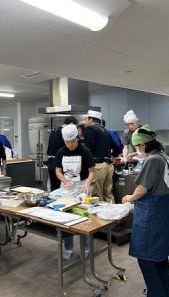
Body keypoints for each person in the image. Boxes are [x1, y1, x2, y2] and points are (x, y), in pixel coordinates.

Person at [122, 124, 169, 297]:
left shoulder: (152, 160)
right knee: (159, 257)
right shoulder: (165, 157)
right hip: (165, 211)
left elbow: (142, 189)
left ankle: (156, 294)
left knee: (146, 258)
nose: (137, 150)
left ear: (143, 145)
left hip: (153, 215)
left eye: (137, 146)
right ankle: (166, 293)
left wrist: (129, 198)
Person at [54, 124, 95, 260]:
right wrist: (65, 181)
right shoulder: (61, 152)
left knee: (83, 218)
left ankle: (86, 248)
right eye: (67, 142)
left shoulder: (85, 151)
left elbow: (92, 172)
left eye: (72, 141)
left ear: (77, 138)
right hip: (66, 186)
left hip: (82, 187)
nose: (70, 144)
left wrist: (87, 184)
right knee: (66, 218)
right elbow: (58, 171)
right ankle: (68, 248)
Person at [84, 110, 119, 202]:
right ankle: (112, 215)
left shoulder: (89, 129)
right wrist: (113, 157)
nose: (85, 120)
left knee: (97, 195)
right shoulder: (106, 131)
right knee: (108, 194)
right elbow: (116, 146)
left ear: (91, 119)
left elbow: (89, 146)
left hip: (98, 166)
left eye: (86, 118)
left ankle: (100, 216)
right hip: (108, 166)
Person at [47, 116, 79, 191]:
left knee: (53, 187)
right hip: (59, 162)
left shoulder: (54, 131)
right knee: (60, 187)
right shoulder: (64, 132)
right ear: (71, 124)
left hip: (51, 162)